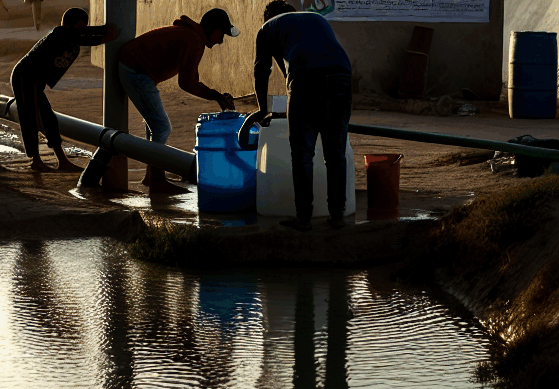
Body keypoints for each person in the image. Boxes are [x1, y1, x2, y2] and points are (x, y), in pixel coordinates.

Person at [248, 0, 352, 231]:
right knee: (335, 154)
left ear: (268, 18)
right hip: (341, 75)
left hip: (306, 79)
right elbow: (291, 66)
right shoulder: (315, 18)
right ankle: (337, 216)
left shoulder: (267, 29)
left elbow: (261, 71)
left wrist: (262, 109)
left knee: (302, 154)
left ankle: (304, 218)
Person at [117, 8, 238, 192]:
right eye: (222, 34)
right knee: (162, 128)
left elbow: (190, 80)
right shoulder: (194, 40)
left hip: (133, 67)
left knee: (155, 126)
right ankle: (157, 181)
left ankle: (151, 177)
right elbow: (187, 83)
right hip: (136, 71)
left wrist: (216, 96)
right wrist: (215, 95)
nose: (221, 40)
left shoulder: (191, 36)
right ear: (215, 30)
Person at [10, 7, 118, 171]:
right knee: (31, 118)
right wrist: (103, 36)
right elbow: (81, 36)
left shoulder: (70, 36)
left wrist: (103, 32)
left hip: (35, 81)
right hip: (26, 76)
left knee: (49, 119)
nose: (84, 28)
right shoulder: (59, 33)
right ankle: (36, 161)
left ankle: (62, 161)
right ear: (78, 23)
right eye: (83, 24)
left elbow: (81, 35)